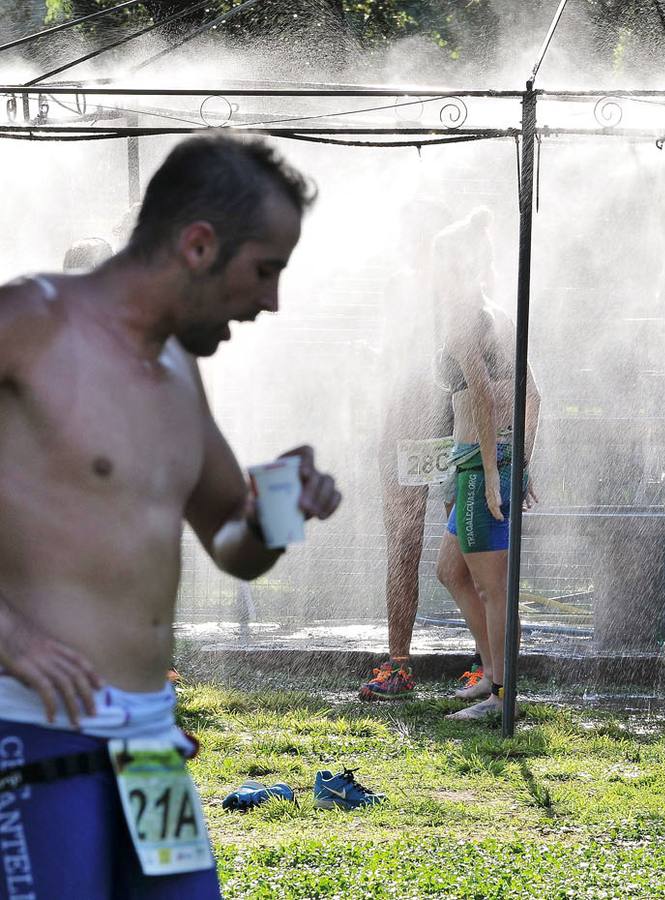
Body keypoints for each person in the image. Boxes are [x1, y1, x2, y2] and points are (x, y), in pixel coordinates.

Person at [0, 135, 339, 897]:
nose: (270, 302)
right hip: (31, 730)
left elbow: (231, 542)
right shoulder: (27, 323)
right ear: (197, 245)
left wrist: (278, 512)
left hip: (150, 744)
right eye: (265, 270)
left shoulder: (176, 369)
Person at [433, 208, 541, 721]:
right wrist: (523, 461)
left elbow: (481, 392)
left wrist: (500, 473)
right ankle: (492, 677)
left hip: (479, 465)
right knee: (450, 570)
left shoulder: (465, 316)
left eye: (439, 264)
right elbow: (534, 396)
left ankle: (503, 698)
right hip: (484, 461)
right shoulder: (497, 314)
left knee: (494, 587)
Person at [358, 198, 458, 702]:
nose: (412, 248)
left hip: (456, 432)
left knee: (472, 551)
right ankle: (398, 665)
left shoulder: (461, 294)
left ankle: (491, 668)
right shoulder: (399, 289)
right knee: (403, 546)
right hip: (407, 432)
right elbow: (389, 364)